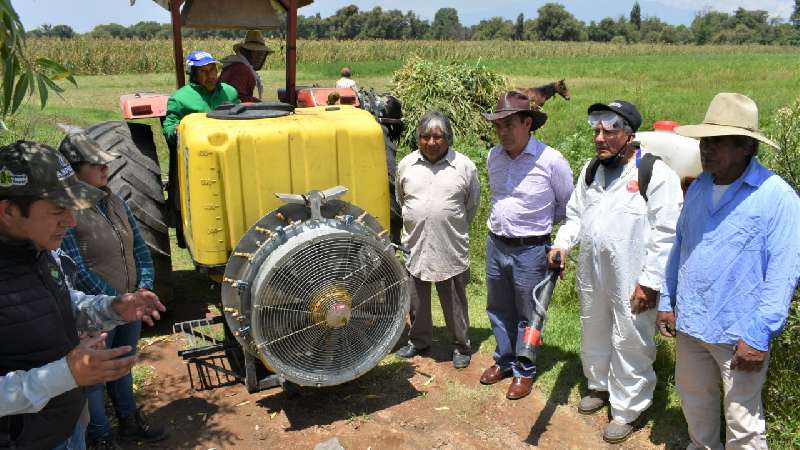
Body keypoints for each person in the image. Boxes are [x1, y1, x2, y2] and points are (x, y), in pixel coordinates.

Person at [0, 141, 166, 450]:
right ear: (8, 211)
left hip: (67, 429)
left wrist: (114, 307)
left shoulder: (37, 253)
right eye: (58, 210)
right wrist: (64, 374)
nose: (72, 221)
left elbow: (64, 303)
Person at [657, 93, 800, 450]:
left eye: (717, 141)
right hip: (692, 324)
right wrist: (666, 299)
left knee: (742, 419)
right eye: (705, 140)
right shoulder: (699, 186)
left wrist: (759, 334)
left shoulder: (777, 197)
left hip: (740, 331)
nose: (705, 149)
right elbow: (681, 247)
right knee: (695, 401)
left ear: (746, 147)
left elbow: (784, 272)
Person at [549, 101, 683, 443]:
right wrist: (562, 245)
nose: (600, 138)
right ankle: (599, 385)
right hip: (593, 272)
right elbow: (576, 215)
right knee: (593, 326)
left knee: (630, 338)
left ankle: (628, 408)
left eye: (610, 131)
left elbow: (667, 233)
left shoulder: (653, 173)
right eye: (596, 130)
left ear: (629, 135)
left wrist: (650, 283)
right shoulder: (592, 170)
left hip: (633, 278)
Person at [57, 128, 168, 448]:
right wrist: (115, 300)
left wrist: (143, 289)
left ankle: (129, 422)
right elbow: (76, 268)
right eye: (96, 165)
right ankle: (101, 435)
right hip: (95, 313)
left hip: (129, 304)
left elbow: (140, 250)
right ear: (75, 171)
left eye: (106, 164)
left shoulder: (115, 200)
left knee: (123, 363)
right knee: (93, 378)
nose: (106, 169)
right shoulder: (68, 213)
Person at [479, 91, 573, 400]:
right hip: (496, 244)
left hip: (532, 250)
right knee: (498, 308)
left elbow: (566, 207)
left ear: (527, 123)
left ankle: (524, 370)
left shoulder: (550, 160)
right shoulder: (494, 156)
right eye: (498, 126)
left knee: (528, 314)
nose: (503, 133)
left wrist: (546, 239)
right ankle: (504, 361)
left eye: (509, 125)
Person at [394, 111, 481, 369]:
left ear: (448, 138)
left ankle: (461, 345)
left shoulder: (464, 166)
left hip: (450, 244)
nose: (431, 142)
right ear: (418, 139)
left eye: (438, 137)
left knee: (454, 299)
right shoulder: (406, 165)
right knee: (416, 300)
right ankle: (419, 340)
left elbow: (472, 206)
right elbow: (401, 200)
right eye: (425, 137)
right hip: (416, 243)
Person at [163, 50, 239, 146]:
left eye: (212, 69)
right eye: (203, 71)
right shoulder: (179, 99)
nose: (210, 75)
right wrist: (177, 131)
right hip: (198, 152)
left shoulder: (229, 92)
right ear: (193, 74)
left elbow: (240, 118)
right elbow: (169, 128)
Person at [220, 30, 273, 103]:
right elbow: (237, 100)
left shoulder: (235, 64)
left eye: (261, 53)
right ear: (245, 51)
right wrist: (258, 103)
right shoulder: (242, 70)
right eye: (255, 52)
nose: (260, 57)